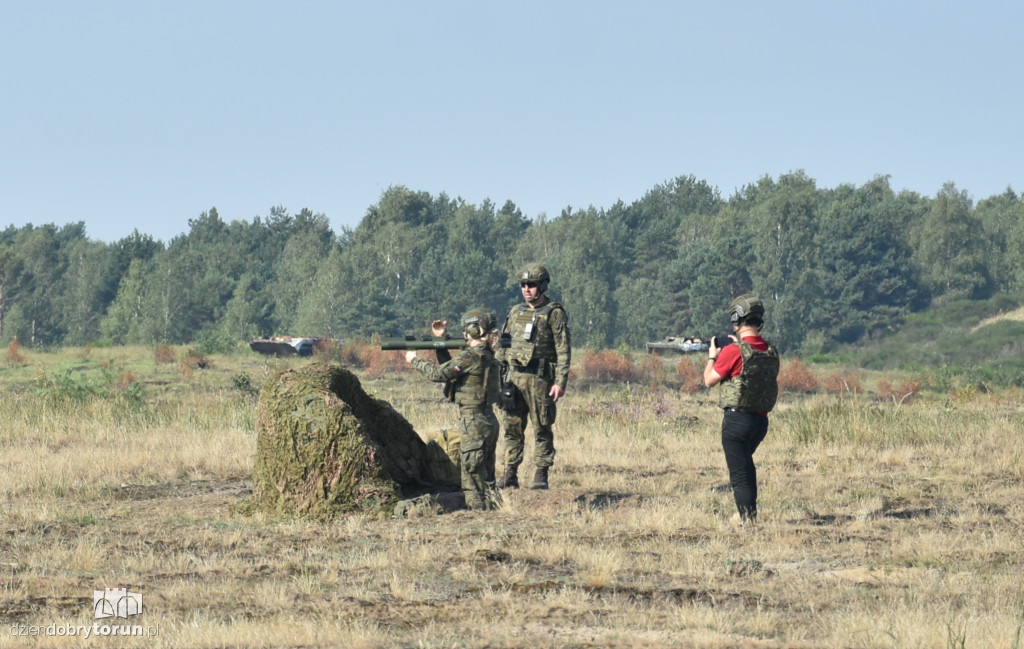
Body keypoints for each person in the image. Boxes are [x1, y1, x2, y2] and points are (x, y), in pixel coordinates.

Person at [405, 309, 502, 511]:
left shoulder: (471, 356)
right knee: (487, 478)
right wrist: (440, 342)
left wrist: (414, 359)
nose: (464, 334)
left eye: (466, 329)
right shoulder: (487, 354)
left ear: (475, 330)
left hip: (474, 422)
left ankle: (478, 516)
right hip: (487, 420)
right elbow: (453, 372)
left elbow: (438, 374)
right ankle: (493, 512)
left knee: (472, 477)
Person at [703, 294, 780, 525]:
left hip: (737, 422)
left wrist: (712, 357)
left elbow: (709, 380)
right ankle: (747, 514)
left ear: (737, 319)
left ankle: (747, 520)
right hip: (760, 423)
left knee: (740, 475)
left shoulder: (732, 352)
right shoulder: (770, 351)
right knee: (746, 468)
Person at [496, 263, 571, 490]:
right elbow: (504, 343)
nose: (527, 289)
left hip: (540, 380)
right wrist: (500, 379)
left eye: (532, 285)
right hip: (515, 378)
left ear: (542, 285)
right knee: (511, 427)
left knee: (542, 427)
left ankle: (541, 474)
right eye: (523, 285)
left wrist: (560, 381)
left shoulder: (554, 313)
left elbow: (563, 350)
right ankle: (510, 473)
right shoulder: (515, 312)